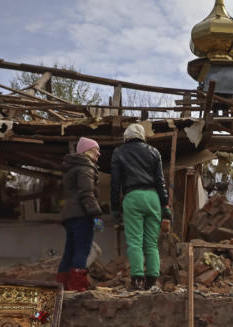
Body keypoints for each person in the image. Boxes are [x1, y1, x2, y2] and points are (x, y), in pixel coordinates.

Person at [110, 123, 171, 290]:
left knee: (135, 242)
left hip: (133, 197)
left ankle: (137, 281)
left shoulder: (119, 152)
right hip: (153, 198)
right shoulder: (154, 152)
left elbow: (115, 183)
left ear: (126, 136)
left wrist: (115, 208)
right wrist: (165, 204)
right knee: (151, 244)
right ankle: (152, 282)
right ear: (142, 135)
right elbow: (160, 181)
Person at [58, 137, 103, 292]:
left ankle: (62, 287)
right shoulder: (86, 167)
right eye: (96, 149)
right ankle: (77, 287)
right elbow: (86, 193)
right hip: (82, 214)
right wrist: (96, 214)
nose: (99, 153)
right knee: (82, 250)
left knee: (69, 250)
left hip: (69, 215)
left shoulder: (72, 168)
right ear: (86, 151)